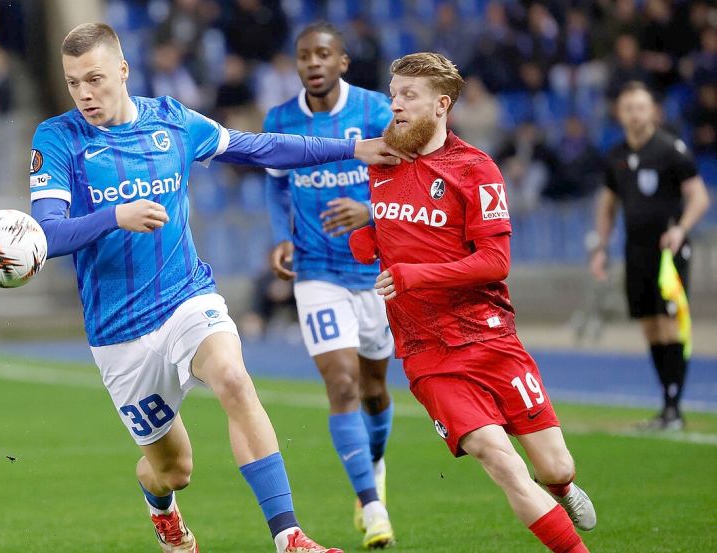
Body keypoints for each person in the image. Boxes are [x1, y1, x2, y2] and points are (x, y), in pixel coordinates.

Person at [29, 23, 401, 553]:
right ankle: (161, 508)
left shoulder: (172, 121)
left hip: (186, 297)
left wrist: (351, 147)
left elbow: (259, 146)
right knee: (173, 470)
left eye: (95, 79)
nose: (85, 94)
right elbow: (47, 233)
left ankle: (288, 535)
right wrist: (115, 216)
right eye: (73, 84)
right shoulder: (58, 138)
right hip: (118, 331)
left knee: (231, 376)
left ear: (123, 71)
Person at [348, 53, 596, 553]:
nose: (394, 104)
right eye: (393, 93)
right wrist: (366, 237)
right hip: (426, 350)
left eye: (408, 96)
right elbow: (395, 232)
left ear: (441, 105)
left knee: (555, 465)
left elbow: (494, 262)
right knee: (499, 459)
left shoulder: (475, 169)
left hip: (490, 337)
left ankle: (562, 488)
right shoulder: (381, 163)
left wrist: (415, 274)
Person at [263, 22, 396, 550]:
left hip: (375, 273)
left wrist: (369, 211)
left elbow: (405, 179)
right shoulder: (281, 120)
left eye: (323, 54)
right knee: (341, 385)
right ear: (297, 65)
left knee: (375, 388)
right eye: (303, 56)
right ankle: (372, 504)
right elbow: (276, 188)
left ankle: (375, 466)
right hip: (316, 272)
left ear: (342, 61)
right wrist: (281, 237)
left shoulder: (376, 113)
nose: (313, 63)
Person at [590, 81, 711, 430]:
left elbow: (699, 197)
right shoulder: (615, 157)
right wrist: (600, 247)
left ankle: (673, 407)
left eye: (641, 107)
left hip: (669, 252)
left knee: (671, 322)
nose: (635, 113)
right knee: (650, 325)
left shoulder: (671, 149)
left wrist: (680, 229)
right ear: (620, 113)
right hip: (636, 250)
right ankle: (667, 405)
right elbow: (607, 205)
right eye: (628, 107)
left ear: (653, 111)